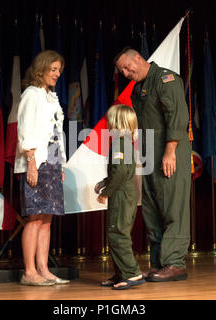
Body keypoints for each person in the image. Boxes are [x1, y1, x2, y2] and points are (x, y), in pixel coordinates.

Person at [114, 47, 191, 282]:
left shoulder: (166, 80)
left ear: (138, 58)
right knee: (151, 210)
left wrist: (170, 152)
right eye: (122, 71)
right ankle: (159, 263)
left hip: (169, 154)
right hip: (148, 157)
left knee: (172, 208)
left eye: (128, 67)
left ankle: (175, 263)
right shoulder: (138, 88)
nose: (126, 73)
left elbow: (177, 118)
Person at [14, 50, 69, 286]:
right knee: (35, 218)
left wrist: (62, 163)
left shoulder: (51, 97)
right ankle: (29, 272)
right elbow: (25, 130)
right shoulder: (32, 94)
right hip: (37, 162)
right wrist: (31, 164)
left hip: (53, 162)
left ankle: (43, 269)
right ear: (42, 69)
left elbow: (57, 133)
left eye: (59, 70)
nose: (57, 74)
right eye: (53, 69)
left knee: (47, 219)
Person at [95, 104, 145, 290]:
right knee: (116, 233)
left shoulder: (119, 143)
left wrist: (105, 193)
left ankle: (132, 273)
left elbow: (121, 172)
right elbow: (120, 170)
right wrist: (104, 182)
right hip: (124, 192)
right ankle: (121, 274)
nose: (107, 124)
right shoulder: (123, 142)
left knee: (118, 234)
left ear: (117, 123)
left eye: (109, 121)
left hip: (122, 195)